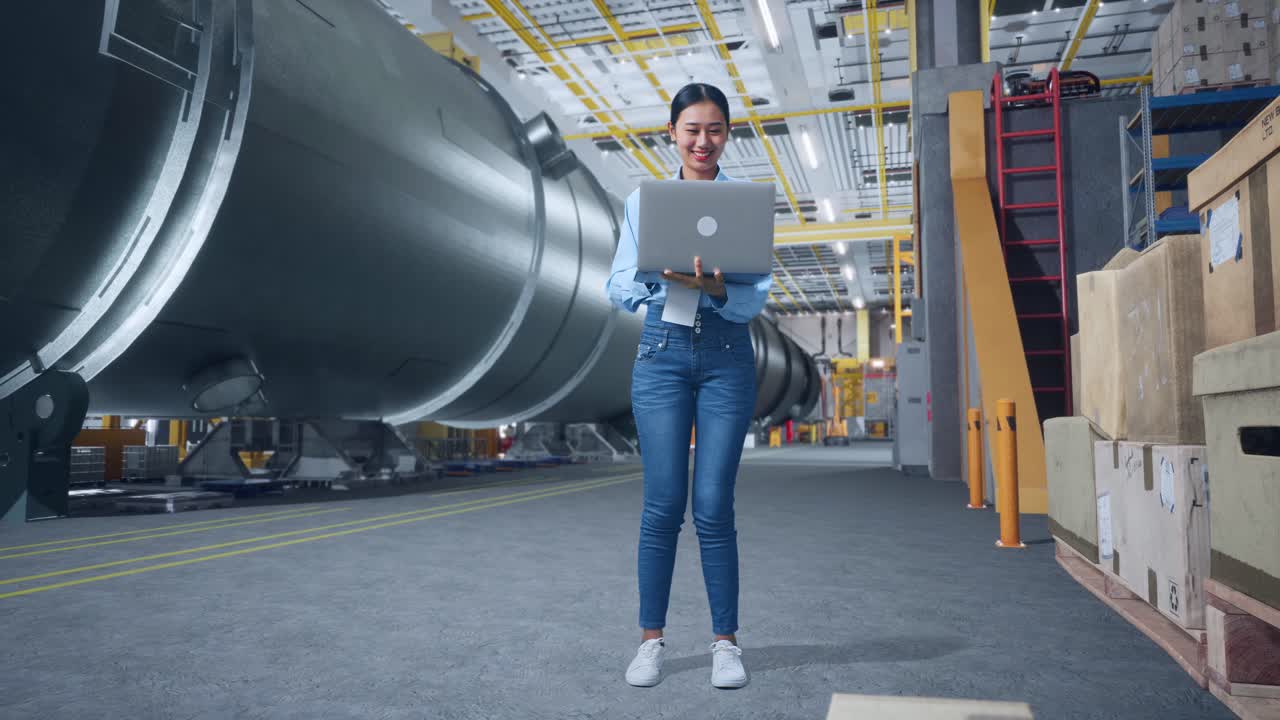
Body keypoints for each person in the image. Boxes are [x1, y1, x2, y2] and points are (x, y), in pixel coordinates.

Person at [604, 82, 773, 690]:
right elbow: (617, 285)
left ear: (728, 134)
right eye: (692, 130)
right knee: (662, 505)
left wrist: (721, 290)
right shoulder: (642, 203)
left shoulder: (747, 203)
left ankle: (725, 643)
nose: (704, 141)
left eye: (716, 130)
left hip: (726, 357)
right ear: (672, 134)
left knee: (712, 508)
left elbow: (759, 292)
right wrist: (662, 278)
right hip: (662, 355)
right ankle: (651, 642)